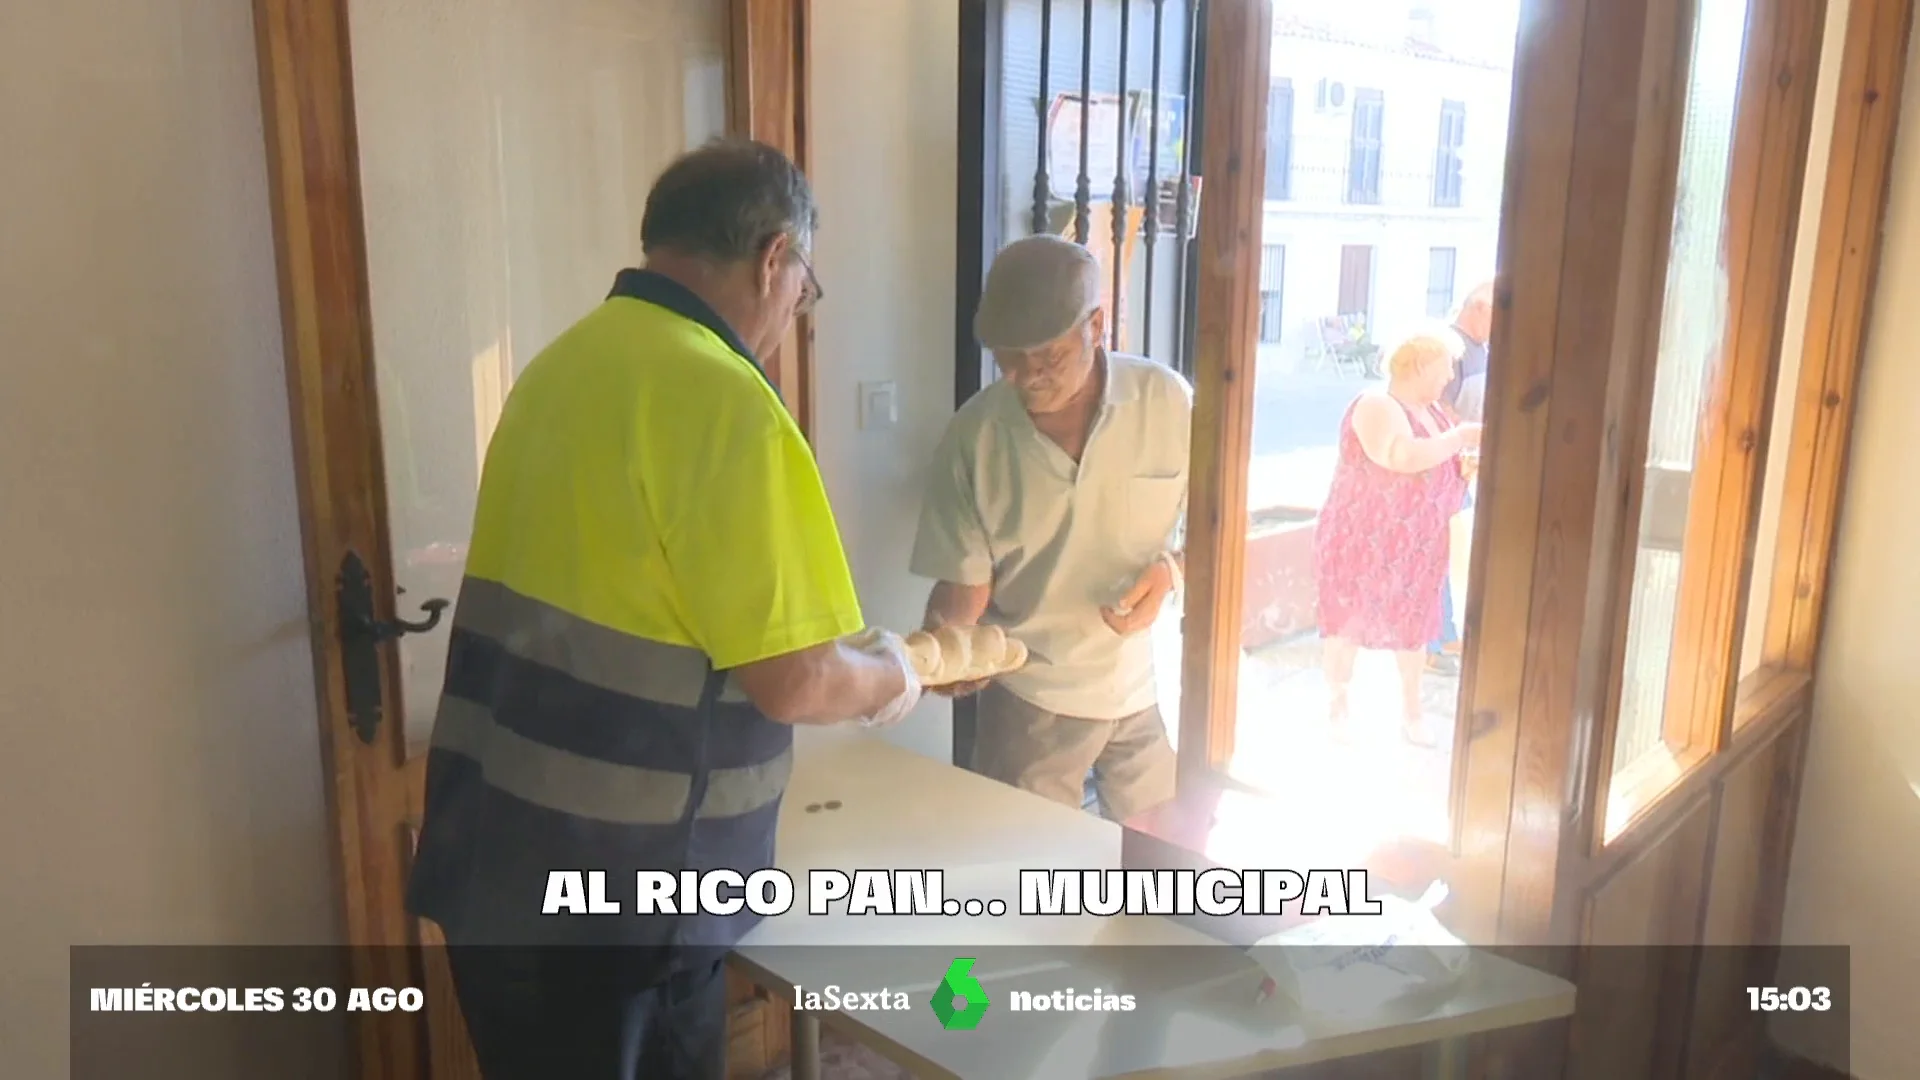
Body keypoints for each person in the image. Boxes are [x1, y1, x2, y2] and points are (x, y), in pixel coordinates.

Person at [404, 138, 922, 1080]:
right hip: (623, 912)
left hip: (496, 864)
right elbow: (796, 678)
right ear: (775, 258)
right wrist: (895, 674)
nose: (792, 312)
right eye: (803, 287)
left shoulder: (558, 369)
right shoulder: (727, 402)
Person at [911, 234, 1190, 823]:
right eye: (1007, 359)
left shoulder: (1168, 401)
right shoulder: (976, 436)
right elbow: (966, 587)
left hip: (1145, 688)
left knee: (1167, 876)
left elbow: (1221, 533)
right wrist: (941, 649)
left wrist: (1170, 572)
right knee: (1029, 880)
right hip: (1030, 700)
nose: (1023, 378)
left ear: (1097, 325)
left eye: (1046, 358)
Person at [1314, 330, 1481, 747]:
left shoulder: (1435, 411)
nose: (1448, 377)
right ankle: (1337, 708)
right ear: (1420, 363)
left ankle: (1412, 713)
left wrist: (1462, 466)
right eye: (1444, 366)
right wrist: (1459, 439)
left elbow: (1436, 460)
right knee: (1346, 624)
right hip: (1362, 540)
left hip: (1418, 545)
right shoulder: (1377, 404)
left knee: (1415, 627)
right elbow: (1398, 455)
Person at [1428, 282, 1494, 673]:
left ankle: (1445, 634)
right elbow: (1438, 407)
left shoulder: (1479, 350)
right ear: (1479, 309)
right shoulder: (1449, 349)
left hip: (1461, 466)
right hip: (1444, 466)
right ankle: (1430, 644)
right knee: (1434, 555)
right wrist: (1468, 439)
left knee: (1446, 554)